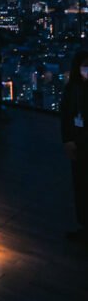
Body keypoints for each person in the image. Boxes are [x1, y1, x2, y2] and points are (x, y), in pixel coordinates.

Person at [61, 50, 88, 243]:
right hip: (78, 143)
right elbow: (66, 116)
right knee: (80, 185)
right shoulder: (73, 89)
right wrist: (68, 140)